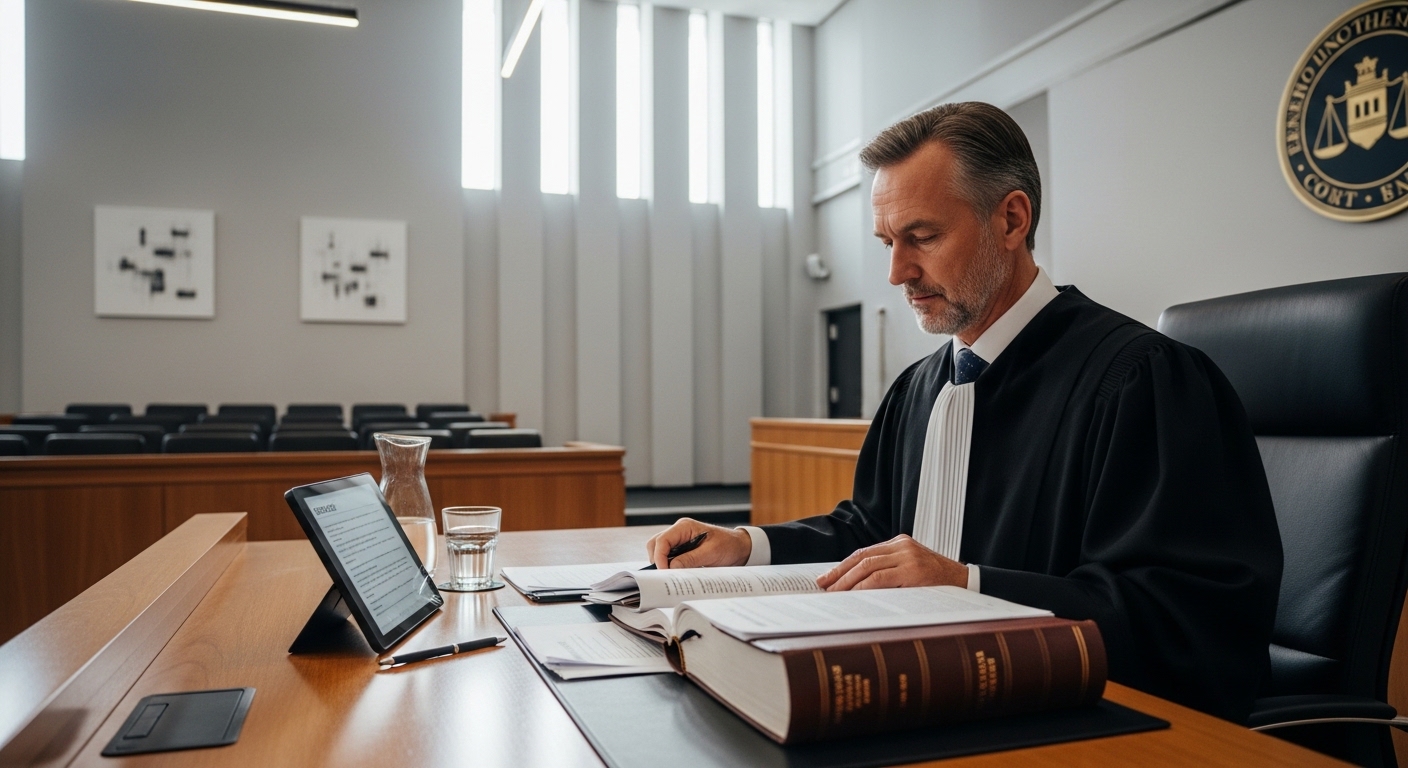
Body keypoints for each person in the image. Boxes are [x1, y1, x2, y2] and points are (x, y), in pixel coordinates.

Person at [646, 102, 1282, 723]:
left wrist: (964, 585)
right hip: (929, 701)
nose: (897, 272)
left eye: (922, 236)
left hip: (1077, 725)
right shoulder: (917, 388)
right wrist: (747, 545)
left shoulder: (1142, 381)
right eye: (887, 242)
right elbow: (868, 533)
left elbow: (1187, 626)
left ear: (1010, 220)